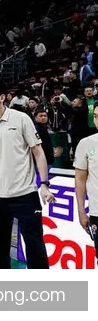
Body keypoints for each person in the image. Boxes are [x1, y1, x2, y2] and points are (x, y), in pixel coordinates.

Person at [0, 78, 54, 269]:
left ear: (2, 97)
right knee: (0, 249)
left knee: (35, 246)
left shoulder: (21, 119)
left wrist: (44, 184)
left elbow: (38, 152)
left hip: (25, 194)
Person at [73, 104, 98, 267]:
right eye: (95, 116)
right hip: (97, 211)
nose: (97, 120)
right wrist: (81, 211)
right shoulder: (86, 143)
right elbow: (80, 179)